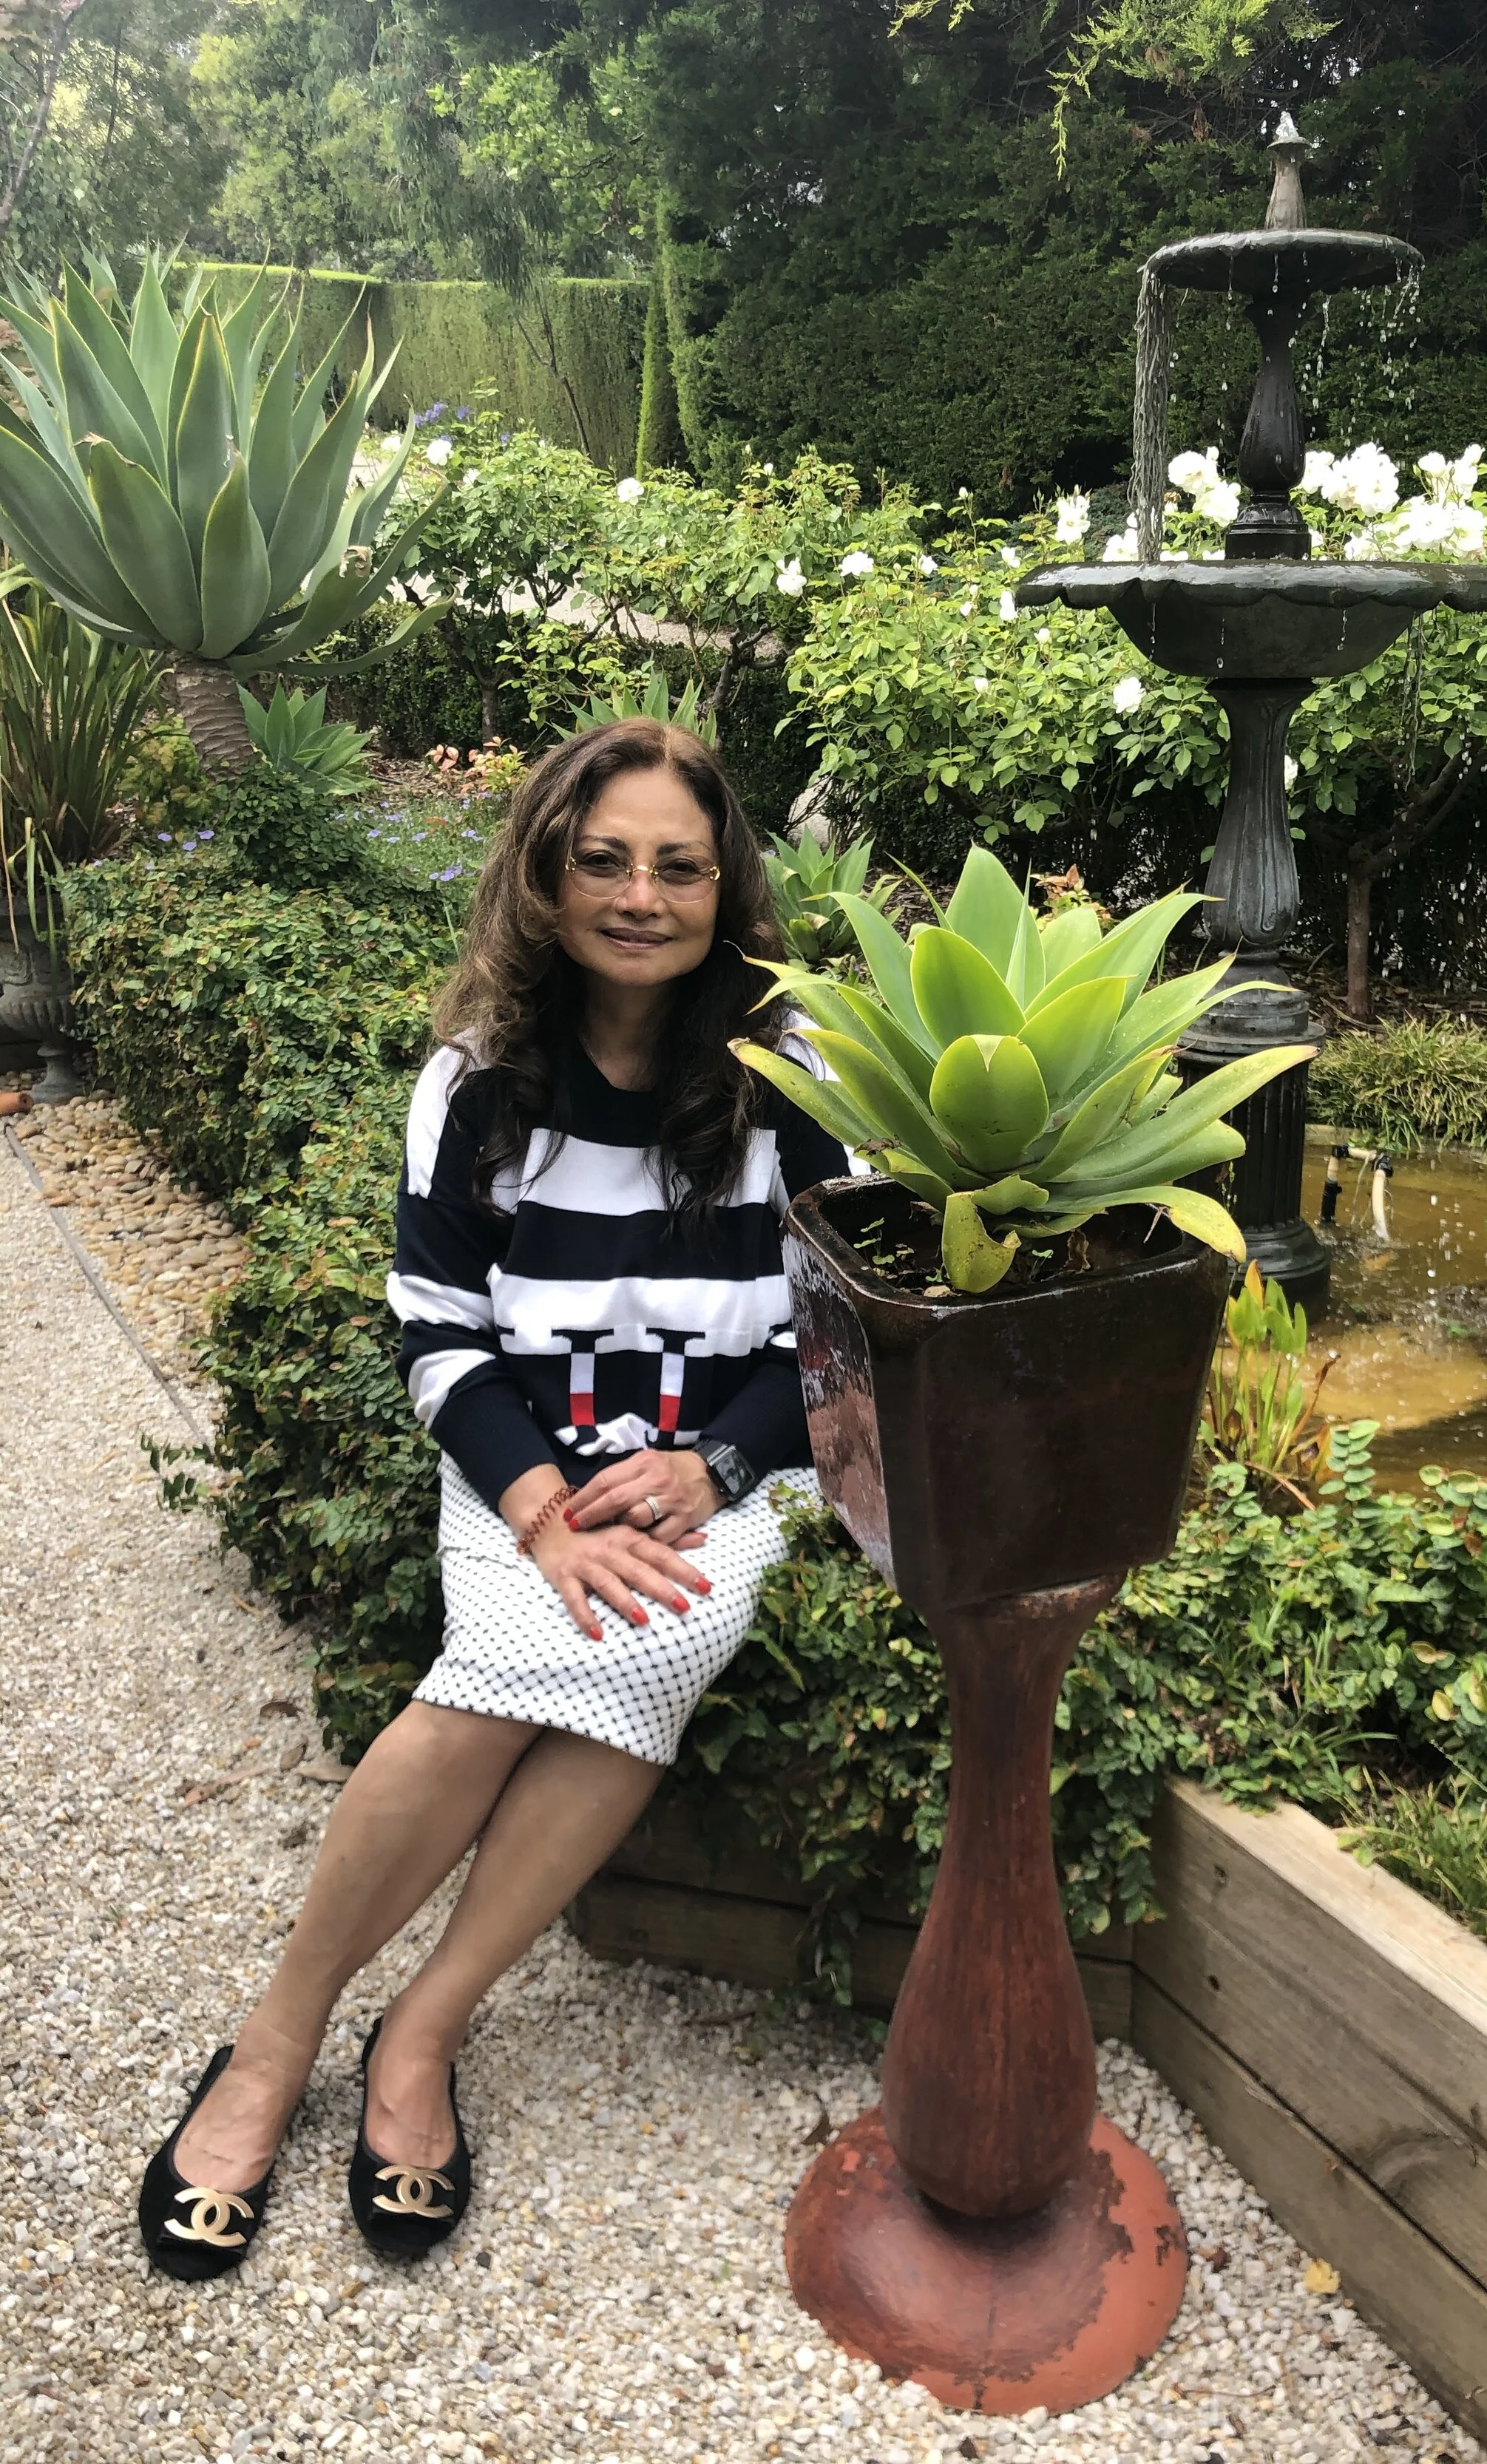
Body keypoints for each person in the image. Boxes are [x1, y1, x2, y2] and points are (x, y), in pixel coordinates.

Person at [138, 718, 848, 2277]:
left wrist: (715, 1464)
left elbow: (844, 1326)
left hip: (711, 1469)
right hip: (518, 1457)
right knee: (524, 1667)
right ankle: (279, 2035)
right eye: (604, 860)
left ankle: (420, 2029)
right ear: (543, 870)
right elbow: (436, 1325)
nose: (640, 894)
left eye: (677, 864)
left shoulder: (792, 1076)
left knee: (644, 1643)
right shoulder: (475, 1081)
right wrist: (536, 1506)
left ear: (727, 886)